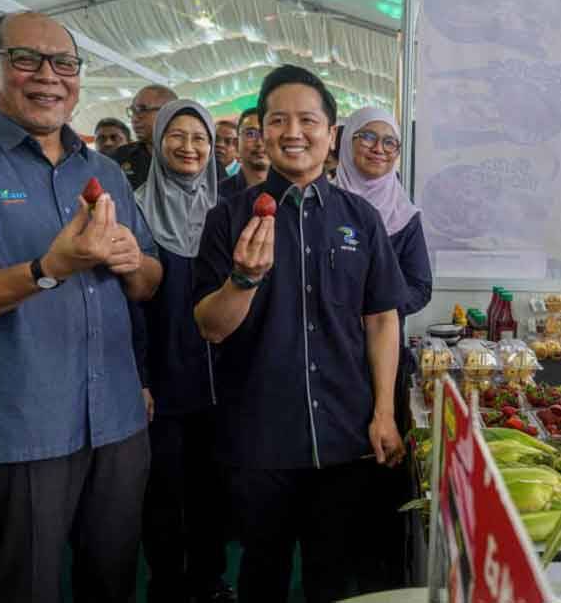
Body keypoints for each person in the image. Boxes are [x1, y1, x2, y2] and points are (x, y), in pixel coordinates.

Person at [0, 11, 162, 603]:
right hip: (21, 424)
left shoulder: (104, 169)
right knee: (26, 585)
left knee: (110, 579)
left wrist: (132, 260)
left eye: (64, 63)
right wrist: (48, 270)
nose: (48, 77)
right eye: (26, 60)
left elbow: (150, 282)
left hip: (115, 420)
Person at [193, 64, 408, 602]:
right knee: (262, 572)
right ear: (261, 132)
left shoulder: (361, 218)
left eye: (308, 120)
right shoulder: (228, 219)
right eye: (278, 120)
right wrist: (243, 280)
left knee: (331, 575)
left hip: (343, 434)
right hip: (258, 434)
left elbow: (382, 318)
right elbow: (211, 328)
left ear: (330, 133)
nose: (293, 132)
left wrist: (383, 411)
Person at [134, 99, 235, 603]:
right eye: (177, 136)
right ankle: (166, 581)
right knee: (163, 489)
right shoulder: (134, 209)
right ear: (157, 142)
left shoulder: (226, 214)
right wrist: (139, 377)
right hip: (163, 378)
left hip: (219, 378)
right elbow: (124, 308)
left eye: (200, 138)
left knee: (211, 486)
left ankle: (210, 577)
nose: (189, 147)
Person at [334, 106, 432, 588]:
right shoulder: (325, 203)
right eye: (366, 138)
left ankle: (376, 576)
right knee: (335, 472)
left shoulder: (404, 214)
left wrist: (381, 308)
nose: (377, 148)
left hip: (384, 355)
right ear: (345, 142)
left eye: (389, 142)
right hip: (330, 354)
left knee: (380, 463)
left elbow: (421, 285)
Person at [112, 84, 178, 189]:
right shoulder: (120, 157)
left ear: (169, 112)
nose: (134, 118)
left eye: (142, 109)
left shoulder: (191, 157)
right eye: (133, 111)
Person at [218, 107, 269, 200]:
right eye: (251, 134)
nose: (260, 143)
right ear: (236, 144)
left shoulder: (292, 194)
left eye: (266, 133)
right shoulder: (218, 195)